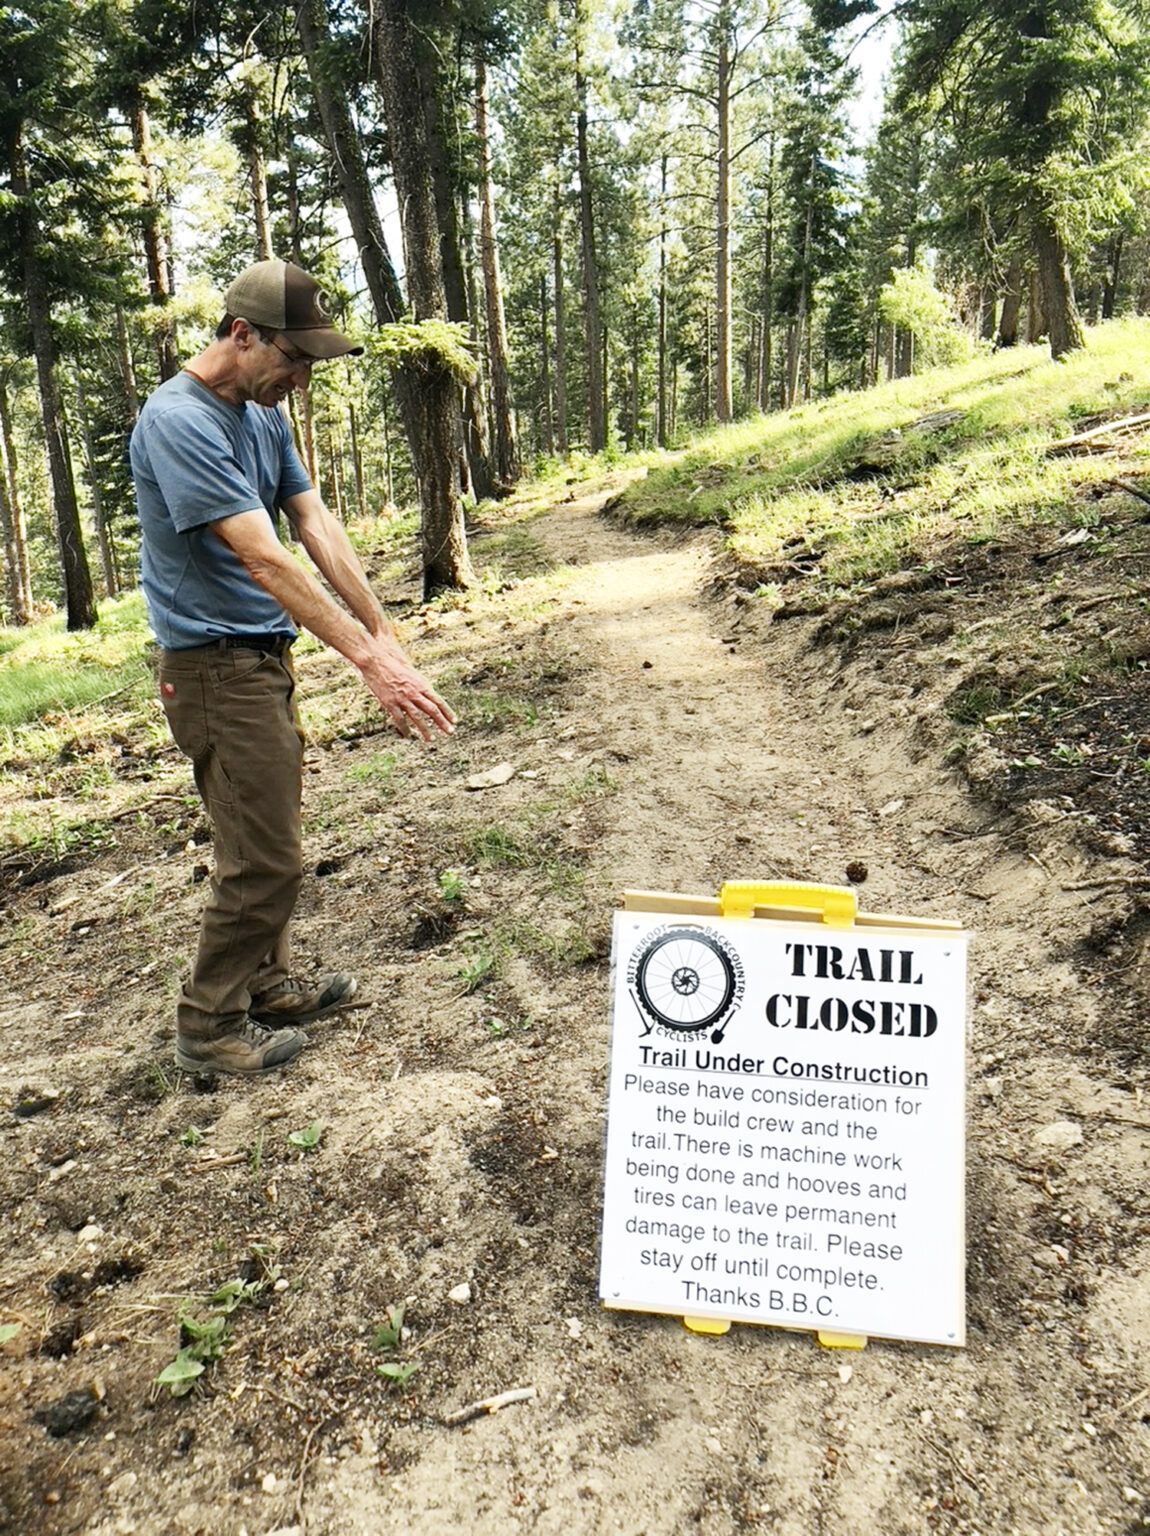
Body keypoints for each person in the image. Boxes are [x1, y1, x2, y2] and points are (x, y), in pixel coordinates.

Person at [130, 257, 455, 1076]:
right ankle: (207, 1027)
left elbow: (315, 526)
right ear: (242, 335)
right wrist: (367, 666)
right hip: (212, 669)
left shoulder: (259, 409)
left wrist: (381, 632)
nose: (303, 378)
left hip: (259, 661)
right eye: (294, 358)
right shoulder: (180, 420)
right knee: (263, 855)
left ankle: (264, 986)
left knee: (269, 830)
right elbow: (263, 560)